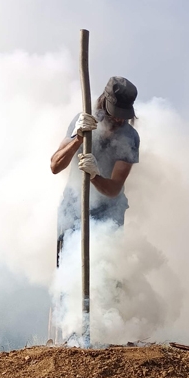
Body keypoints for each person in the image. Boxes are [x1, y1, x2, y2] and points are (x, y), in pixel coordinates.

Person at [50, 76, 139, 266]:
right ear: (104, 103)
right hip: (73, 210)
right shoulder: (84, 120)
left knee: (105, 275)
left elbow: (114, 189)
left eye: (123, 114)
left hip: (108, 214)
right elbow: (55, 166)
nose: (119, 118)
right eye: (115, 112)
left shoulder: (130, 138)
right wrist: (78, 139)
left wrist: (94, 175)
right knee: (68, 272)